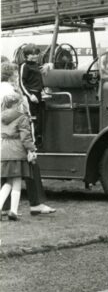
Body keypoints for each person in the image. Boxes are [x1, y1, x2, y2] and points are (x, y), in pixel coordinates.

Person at [0, 62, 55, 216]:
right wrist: (31, 147)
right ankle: (36, 203)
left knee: (6, 173)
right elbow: (24, 117)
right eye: (16, 75)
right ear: (12, 75)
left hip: (4, 139)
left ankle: (5, 207)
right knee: (31, 167)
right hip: (18, 140)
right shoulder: (14, 93)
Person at [1, 93, 38, 221]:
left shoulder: (1, 116)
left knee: (8, 181)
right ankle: (13, 211)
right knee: (16, 181)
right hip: (17, 151)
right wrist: (32, 149)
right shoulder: (21, 117)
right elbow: (25, 137)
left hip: (4, 150)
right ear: (17, 104)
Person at [18, 44, 45, 146]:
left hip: (38, 95)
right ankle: (33, 145)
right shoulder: (24, 66)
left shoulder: (36, 65)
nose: (35, 56)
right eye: (32, 54)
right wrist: (30, 96)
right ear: (26, 55)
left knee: (39, 119)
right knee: (33, 119)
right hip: (31, 96)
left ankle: (38, 141)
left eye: (36, 54)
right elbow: (21, 83)